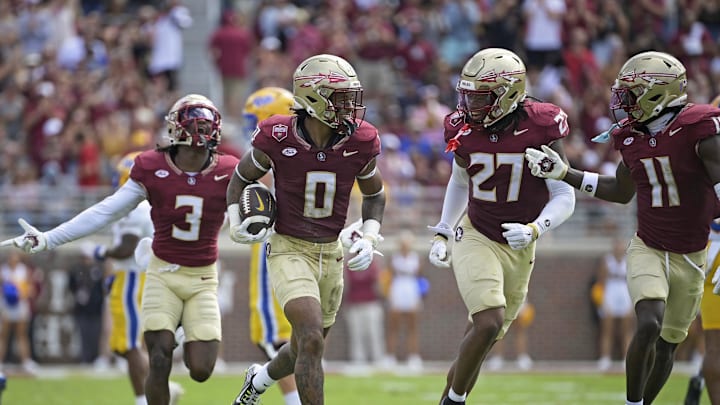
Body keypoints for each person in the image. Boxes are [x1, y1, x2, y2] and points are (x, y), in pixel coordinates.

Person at [1, 93, 236, 405]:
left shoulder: (229, 170)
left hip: (203, 278)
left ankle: (183, 330)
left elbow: (253, 210)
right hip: (162, 274)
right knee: (159, 357)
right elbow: (105, 211)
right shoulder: (152, 166)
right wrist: (49, 238)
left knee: (202, 368)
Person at [525, 50, 720, 405]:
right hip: (649, 245)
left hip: (693, 255)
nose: (624, 103)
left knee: (668, 345)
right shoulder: (632, 137)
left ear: (658, 93)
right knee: (648, 322)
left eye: (631, 94)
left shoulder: (700, 128)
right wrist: (563, 173)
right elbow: (620, 192)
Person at [227, 53, 386, 405]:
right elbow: (240, 178)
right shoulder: (277, 135)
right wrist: (233, 219)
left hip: (331, 252)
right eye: (340, 99)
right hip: (288, 247)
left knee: (304, 344)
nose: (349, 107)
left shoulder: (360, 140)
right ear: (313, 99)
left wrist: (370, 235)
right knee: (311, 337)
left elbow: (375, 195)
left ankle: (260, 378)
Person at [428, 48, 576, 405]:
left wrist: (536, 228)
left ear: (508, 94)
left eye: (479, 98)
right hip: (476, 233)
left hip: (521, 243)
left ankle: (448, 398)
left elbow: (564, 194)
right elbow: (461, 180)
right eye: (467, 95)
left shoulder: (540, 126)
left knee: (482, 338)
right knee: (489, 322)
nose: (468, 106)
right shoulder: (463, 129)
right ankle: (455, 401)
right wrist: (444, 229)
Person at [92, 152, 183, 405]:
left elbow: (127, 246)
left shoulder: (135, 208)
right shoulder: (144, 206)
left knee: (130, 345)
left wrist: (100, 252)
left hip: (133, 278)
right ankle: (163, 388)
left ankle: (147, 397)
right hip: (134, 277)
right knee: (123, 345)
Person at [242, 87, 301, 405]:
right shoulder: (308, 147)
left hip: (278, 249)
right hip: (303, 251)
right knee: (292, 336)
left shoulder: (273, 157)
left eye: (255, 120)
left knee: (275, 334)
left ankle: (264, 384)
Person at [684, 219, 720, 405]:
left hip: (709, 250)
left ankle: (699, 380)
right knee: (714, 347)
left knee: (714, 347)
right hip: (712, 248)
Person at [385, 230, 423, 371]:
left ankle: (413, 357)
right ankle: (390, 357)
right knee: (393, 326)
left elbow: (420, 276)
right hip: (398, 289)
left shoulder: (416, 258)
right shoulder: (393, 258)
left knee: (412, 326)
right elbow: (389, 276)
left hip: (411, 290)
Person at [596, 237, 633, 372]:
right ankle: (605, 358)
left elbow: (632, 282)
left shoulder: (629, 262)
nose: (619, 249)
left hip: (625, 295)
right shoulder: (606, 261)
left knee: (626, 330)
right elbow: (601, 283)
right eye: (617, 246)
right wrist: (603, 302)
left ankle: (626, 359)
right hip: (610, 294)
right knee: (607, 330)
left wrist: (632, 304)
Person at [0, 251, 38, 374]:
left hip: (20, 305)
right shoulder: (3, 271)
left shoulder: (24, 271)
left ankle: (26, 362)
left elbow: (30, 289)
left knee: (21, 335)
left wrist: (20, 293)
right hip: (6, 306)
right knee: (3, 336)